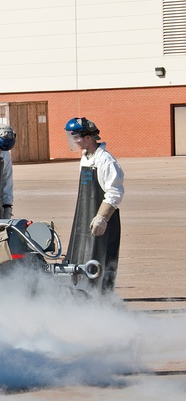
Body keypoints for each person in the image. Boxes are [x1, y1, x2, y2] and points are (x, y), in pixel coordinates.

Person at [65, 117, 124, 292]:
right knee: (81, 257)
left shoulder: (106, 160)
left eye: (76, 137)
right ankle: (82, 294)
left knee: (102, 260)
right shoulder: (86, 158)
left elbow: (115, 192)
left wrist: (102, 217)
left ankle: (103, 299)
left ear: (88, 138)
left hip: (101, 222)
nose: (74, 141)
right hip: (84, 218)